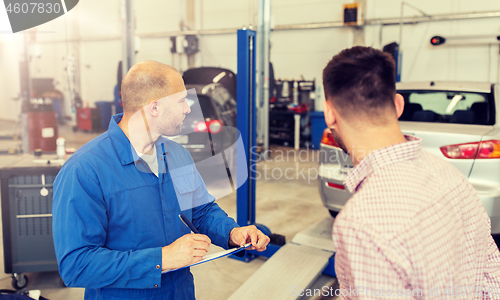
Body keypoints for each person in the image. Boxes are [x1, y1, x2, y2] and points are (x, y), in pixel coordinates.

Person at [52, 60, 270, 300]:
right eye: (181, 101)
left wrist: (232, 233)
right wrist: (163, 259)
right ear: (154, 108)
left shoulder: (177, 155)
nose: (188, 109)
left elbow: (201, 211)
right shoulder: (85, 170)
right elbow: (76, 265)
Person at [322, 46, 500, 298]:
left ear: (329, 113)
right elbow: (493, 276)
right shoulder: (450, 175)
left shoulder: (361, 222)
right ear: (398, 104)